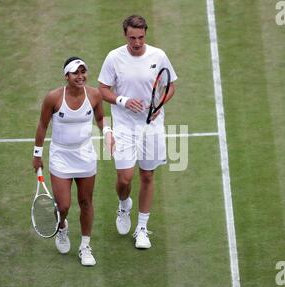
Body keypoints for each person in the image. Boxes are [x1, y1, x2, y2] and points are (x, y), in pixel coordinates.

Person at [98, 15, 177, 249]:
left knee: (147, 175)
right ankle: (124, 205)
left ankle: (141, 228)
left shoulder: (158, 56)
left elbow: (170, 86)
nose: (137, 42)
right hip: (123, 126)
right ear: (125, 35)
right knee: (124, 178)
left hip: (151, 126)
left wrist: (159, 106)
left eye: (141, 37)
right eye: (132, 38)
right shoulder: (114, 58)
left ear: (145, 34)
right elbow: (102, 89)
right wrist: (122, 100)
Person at [33, 57, 114, 266]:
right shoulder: (53, 98)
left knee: (86, 202)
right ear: (66, 76)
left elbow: (100, 117)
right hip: (61, 157)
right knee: (63, 205)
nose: (80, 76)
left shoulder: (94, 94)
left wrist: (107, 132)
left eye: (83, 72)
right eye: (75, 73)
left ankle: (85, 246)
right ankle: (62, 227)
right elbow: (42, 125)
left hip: (85, 155)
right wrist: (36, 154)